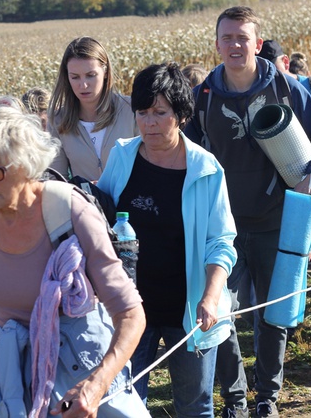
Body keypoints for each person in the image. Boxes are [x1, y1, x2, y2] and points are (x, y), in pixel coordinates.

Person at [185, 6, 311, 418]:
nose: (235, 45)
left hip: (277, 221)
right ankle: (235, 400)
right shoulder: (204, 96)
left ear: (257, 43)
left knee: (274, 316)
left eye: (243, 38)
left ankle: (266, 398)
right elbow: (189, 153)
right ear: (217, 44)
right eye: (227, 38)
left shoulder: (287, 87)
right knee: (219, 313)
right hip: (224, 228)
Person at [0, 105, 147, 417]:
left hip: (77, 368)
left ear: (27, 166)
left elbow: (130, 313)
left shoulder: (71, 211)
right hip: (4, 375)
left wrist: (95, 387)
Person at [97, 62, 237, 417]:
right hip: (130, 308)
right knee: (122, 401)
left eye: (160, 113)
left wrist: (210, 295)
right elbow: (99, 217)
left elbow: (221, 241)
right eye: (142, 113)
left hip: (189, 309)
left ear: (181, 115)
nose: (150, 123)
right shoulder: (122, 156)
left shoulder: (206, 169)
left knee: (194, 404)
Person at [48, 37, 138, 181]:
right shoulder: (58, 119)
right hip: (85, 202)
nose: (83, 85)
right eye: (75, 77)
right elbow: (58, 179)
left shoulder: (131, 110)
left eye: (91, 76)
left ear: (106, 72)